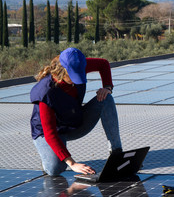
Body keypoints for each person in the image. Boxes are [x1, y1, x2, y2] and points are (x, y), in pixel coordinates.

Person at [30, 47, 122, 176]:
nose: (78, 79)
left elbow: (103, 64)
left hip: (74, 121)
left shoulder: (79, 64)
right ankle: (48, 157)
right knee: (55, 169)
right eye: (74, 77)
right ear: (63, 72)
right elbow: (50, 133)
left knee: (106, 99)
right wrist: (72, 163)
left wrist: (107, 87)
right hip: (48, 133)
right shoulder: (45, 92)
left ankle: (117, 154)